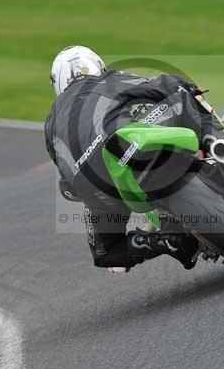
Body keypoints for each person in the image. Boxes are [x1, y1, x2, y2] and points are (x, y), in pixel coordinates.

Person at [45, 45, 210, 271]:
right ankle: (213, 144)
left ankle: (163, 241)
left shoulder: (50, 124)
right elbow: (158, 85)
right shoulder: (106, 81)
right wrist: (187, 87)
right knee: (183, 95)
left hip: (95, 183)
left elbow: (64, 176)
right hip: (125, 146)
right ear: (97, 65)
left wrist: (84, 192)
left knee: (106, 253)